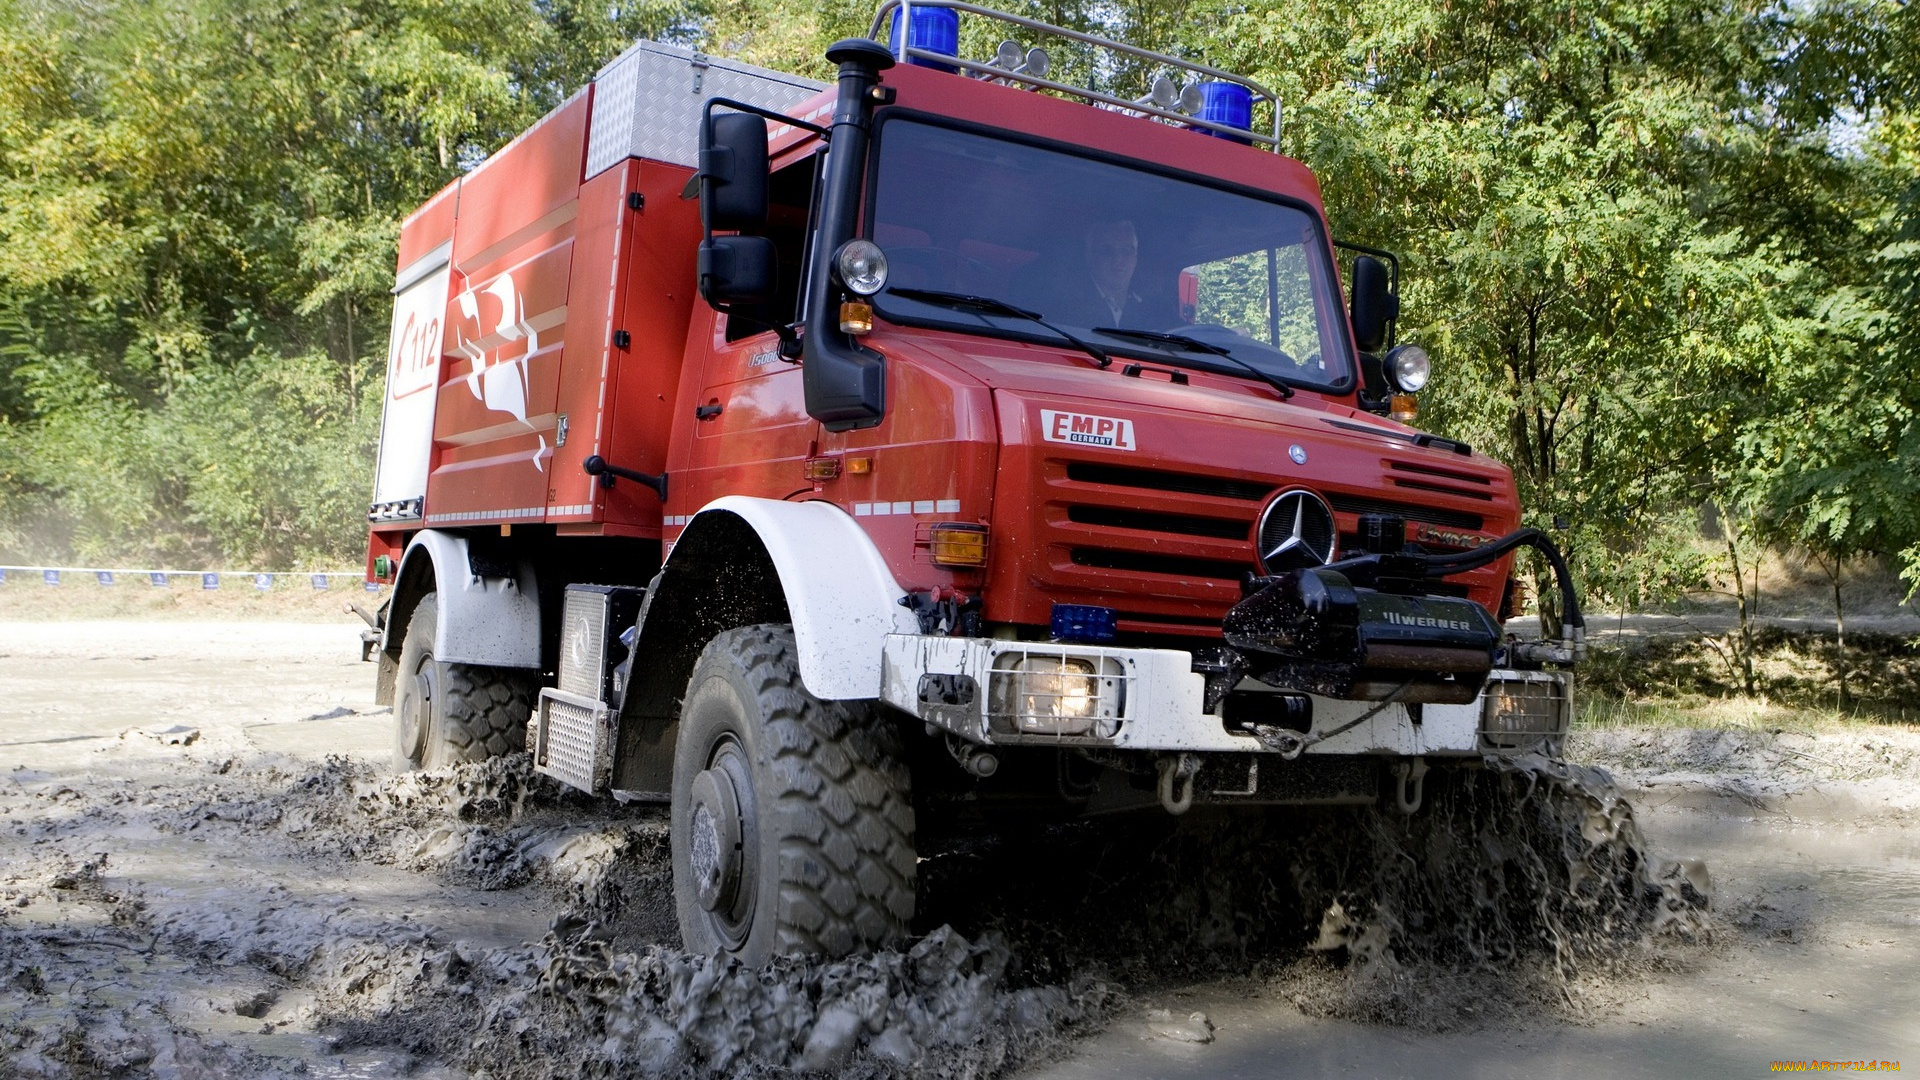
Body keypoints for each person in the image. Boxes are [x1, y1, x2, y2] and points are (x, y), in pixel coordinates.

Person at [1042, 218, 1178, 329]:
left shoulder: (1157, 310)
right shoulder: (1065, 308)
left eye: (1126, 251)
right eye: (1107, 251)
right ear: (1090, 257)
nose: (1118, 259)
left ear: (1135, 258)